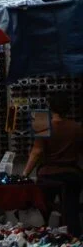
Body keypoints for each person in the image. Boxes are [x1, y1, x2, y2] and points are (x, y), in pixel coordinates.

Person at [24, 93, 83, 236]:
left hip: (48, 175)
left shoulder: (43, 124)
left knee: (42, 210)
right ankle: (75, 242)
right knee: (71, 211)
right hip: (72, 175)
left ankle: (40, 239)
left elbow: (36, 152)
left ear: (50, 108)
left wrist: (25, 174)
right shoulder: (77, 127)